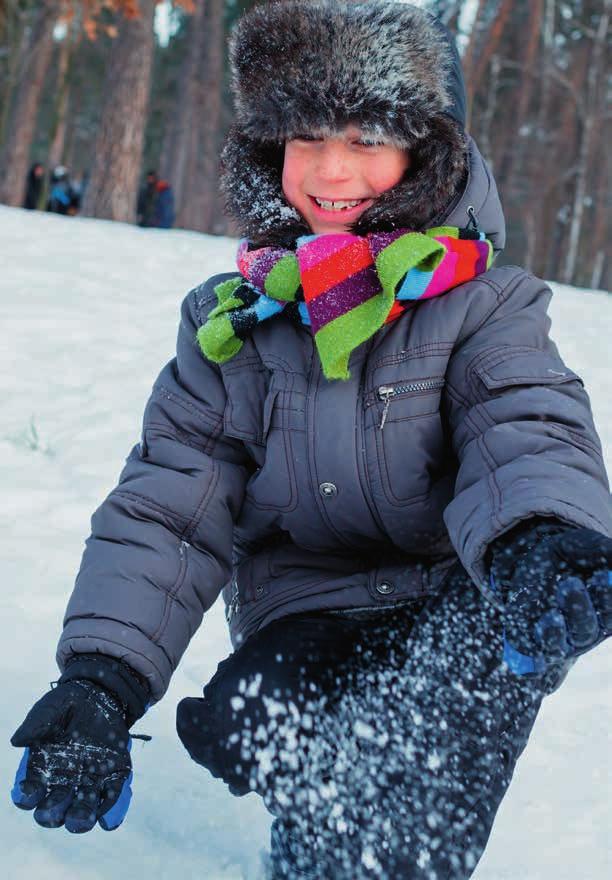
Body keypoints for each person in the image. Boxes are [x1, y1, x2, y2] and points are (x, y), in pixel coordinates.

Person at [10, 3, 612, 877]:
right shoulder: (235, 324)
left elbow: (520, 421)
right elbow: (172, 505)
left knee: (423, 766)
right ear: (270, 150)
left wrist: (542, 538)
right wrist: (102, 678)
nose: (332, 170)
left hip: (462, 607)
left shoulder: (483, 304)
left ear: (426, 152)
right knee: (267, 730)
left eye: (369, 137)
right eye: (307, 135)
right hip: (311, 612)